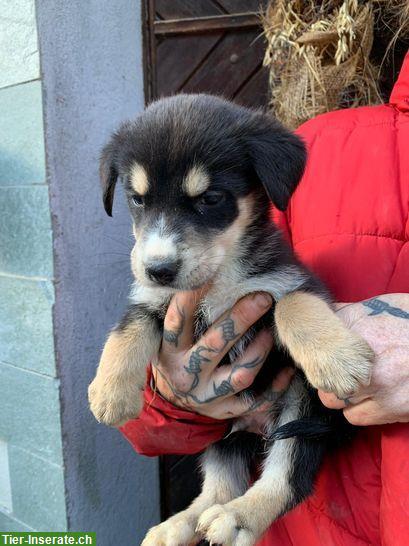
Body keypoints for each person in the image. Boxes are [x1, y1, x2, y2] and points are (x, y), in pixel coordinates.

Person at [120, 51, 409, 545]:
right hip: (298, 526)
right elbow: (144, 415)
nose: (159, 247)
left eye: (209, 201)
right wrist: (169, 397)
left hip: (309, 462)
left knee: (301, 399)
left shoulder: (268, 184)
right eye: (140, 200)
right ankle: (211, 499)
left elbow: (296, 296)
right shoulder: (333, 144)